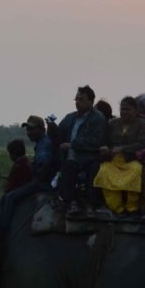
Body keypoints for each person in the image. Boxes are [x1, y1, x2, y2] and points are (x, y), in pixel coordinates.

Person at [0, 115, 58, 237]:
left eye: (31, 129)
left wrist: (34, 175)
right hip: (41, 181)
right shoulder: (41, 143)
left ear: (42, 130)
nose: (28, 133)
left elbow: (44, 165)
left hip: (42, 184)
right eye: (27, 129)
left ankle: (3, 230)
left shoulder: (44, 145)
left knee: (10, 197)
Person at [56, 86, 108, 218]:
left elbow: (96, 140)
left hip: (90, 156)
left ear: (91, 101)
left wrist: (74, 144)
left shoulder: (98, 118)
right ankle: (71, 202)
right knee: (68, 165)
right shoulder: (70, 117)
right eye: (76, 99)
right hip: (72, 156)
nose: (78, 102)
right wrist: (51, 128)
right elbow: (58, 135)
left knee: (93, 168)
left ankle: (91, 204)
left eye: (82, 99)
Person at [93, 95, 145, 215]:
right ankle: (116, 207)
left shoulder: (143, 124)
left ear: (135, 110)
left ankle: (132, 207)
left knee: (136, 170)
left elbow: (142, 144)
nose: (124, 112)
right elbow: (106, 141)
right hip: (113, 159)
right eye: (122, 109)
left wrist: (123, 148)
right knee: (104, 171)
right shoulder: (113, 123)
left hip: (131, 160)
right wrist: (105, 148)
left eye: (128, 109)